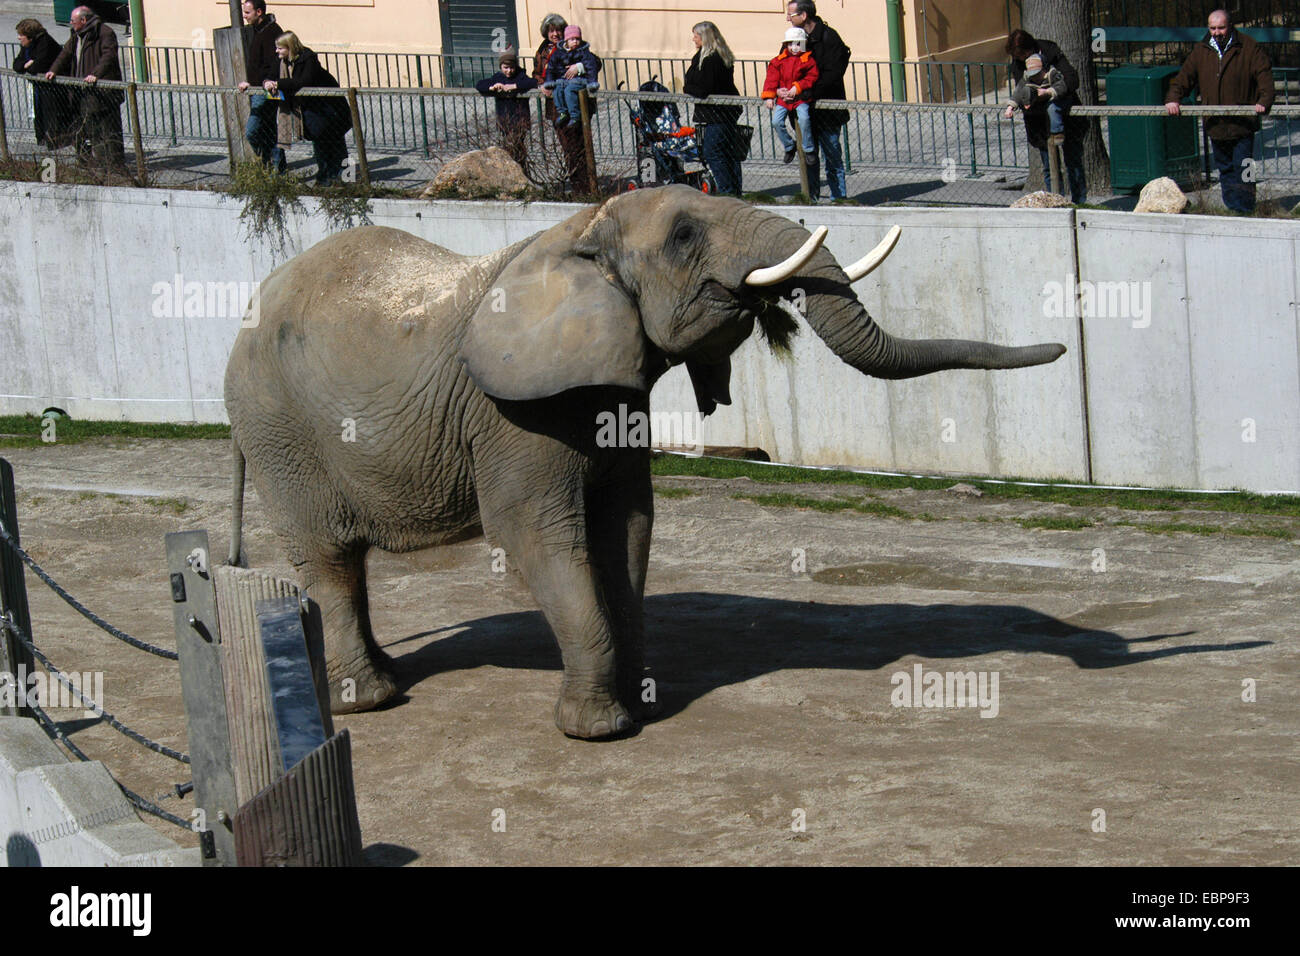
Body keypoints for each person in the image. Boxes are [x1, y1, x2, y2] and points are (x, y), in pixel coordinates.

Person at [1165, 9, 1274, 213]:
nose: (1217, 32)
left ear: (1230, 25)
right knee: (1225, 169)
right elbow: (1183, 78)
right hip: (1215, 124)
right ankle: (1232, 208)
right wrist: (1173, 98)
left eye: (1221, 27)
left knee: (1244, 168)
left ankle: (1245, 209)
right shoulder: (1201, 50)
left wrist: (1264, 101)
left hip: (1242, 124)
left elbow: (1264, 77)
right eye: (1213, 28)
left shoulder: (1249, 47)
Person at [1004, 28, 1086, 204]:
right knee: (1049, 166)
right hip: (1039, 120)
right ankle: (1057, 202)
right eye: (1018, 57)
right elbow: (1022, 90)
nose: (1022, 59)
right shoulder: (1019, 65)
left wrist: (1049, 93)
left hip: (1065, 115)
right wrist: (1024, 101)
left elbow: (1071, 79)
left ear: (1029, 49)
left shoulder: (1050, 51)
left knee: (1074, 163)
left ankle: (1080, 203)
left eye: (1023, 55)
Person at [46, 5, 124, 169]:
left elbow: (109, 55)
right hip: (84, 91)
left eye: (73, 21)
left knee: (110, 131)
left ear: (83, 20)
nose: (70, 23)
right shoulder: (76, 34)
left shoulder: (104, 32)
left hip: (104, 92)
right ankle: (100, 164)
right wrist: (53, 70)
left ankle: (116, 166)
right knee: (92, 131)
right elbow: (65, 54)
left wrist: (96, 73)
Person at [267, 32, 351, 185]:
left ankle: (342, 177)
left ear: (289, 47)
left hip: (329, 108)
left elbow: (304, 81)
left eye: (280, 48)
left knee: (334, 142)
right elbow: (270, 74)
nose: (276, 51)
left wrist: (279, 83)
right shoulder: (281, 61)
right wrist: (267, 81)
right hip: (313, 109)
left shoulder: (308, 58)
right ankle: (326, 176)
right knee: (321, 142)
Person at [788, 1, 850, 201]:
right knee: (809, 157)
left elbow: (833, 74)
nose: (788, 18)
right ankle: (810, 198)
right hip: (804, 109)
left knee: (832, 156)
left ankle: (838, 198)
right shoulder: (795, 38)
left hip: (828, 108)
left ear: (804, 15)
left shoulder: (829, 37)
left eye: (791, 14)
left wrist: (809, 92)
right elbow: (785, 65)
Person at [683, 20, 743, 196]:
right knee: (726, 152)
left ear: (704, 37)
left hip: (718, 113)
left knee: (713, 152)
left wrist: (688, 88)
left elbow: (704, 88)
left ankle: (727, 190)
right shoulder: (707, 56)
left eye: (696, 35)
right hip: (721, 112)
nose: (693, 39)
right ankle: (732, 190)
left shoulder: (712, 59)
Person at [532, 13, 590, 191]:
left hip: (574, 104)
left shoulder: (572, 45)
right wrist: (542, 84)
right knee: (566, 146)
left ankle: (584, 186)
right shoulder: (542, 50)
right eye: (551, 31)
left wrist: (577, 67)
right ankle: (576, 184)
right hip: (555, 106)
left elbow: (594, 61)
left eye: (558, 30)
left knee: (577, 144)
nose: (555, 34)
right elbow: (536, 72)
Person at [236, 1, 290, 172]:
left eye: (247, 12)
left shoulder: (272, 31)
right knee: (268, 129)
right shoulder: (257, 29)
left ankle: (269, 161)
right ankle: (275, 167)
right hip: (258, 87)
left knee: (253, 130)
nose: (244, 16)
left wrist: (266, 81)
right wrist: (250, 82)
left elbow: (274, 63)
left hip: (267, 89)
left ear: (258, 12)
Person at [475, 47, 539, 168]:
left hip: (519, 119)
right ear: (501, 67)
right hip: (504, 119)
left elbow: (532, 82)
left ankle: (520, 171)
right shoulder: (498, 77)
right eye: (506, 68)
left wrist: (513, 86)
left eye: (511, 67)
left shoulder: (521, 76)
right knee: (508, 149)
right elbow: (480, 84)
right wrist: (492, 87)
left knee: (516, 148)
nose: (509, 71)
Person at [763, 28, 818, 167]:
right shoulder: (778, 61)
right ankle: (789, 146)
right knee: (776, 121)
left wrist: (797, 87)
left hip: (800, 98)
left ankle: (808, 149)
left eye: (798, 44)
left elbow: (811, 77)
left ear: (804, 44)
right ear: (786, 45)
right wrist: (772, 94)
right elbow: (771, 79)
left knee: (804, 119)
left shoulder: (808, 60)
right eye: (791, 44)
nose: (794, 47)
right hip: (784, 99)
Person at [13, 19, 68, 148]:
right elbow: (17, 64)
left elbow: (36, 67)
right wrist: (27, 64)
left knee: (51, 115)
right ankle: (42, 140)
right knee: (39, 113)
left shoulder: (45, 43)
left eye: (21, 35)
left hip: (53, 88)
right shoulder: (26, 46)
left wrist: (29, 65)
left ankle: (54, 143)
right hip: (39, 87)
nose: (19, 38)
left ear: (30, 37)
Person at [542, 25, 600, 128]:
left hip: (578, 80)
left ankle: (575, 115)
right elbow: (550, 68)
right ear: (566, 40)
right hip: (563, 80)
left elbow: (593, 65)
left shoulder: (584, 52)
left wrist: (581, 69)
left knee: (569, 90)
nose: (575, 42)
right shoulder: (556, 52)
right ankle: (562, 112)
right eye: (572, 39)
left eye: (577, 39)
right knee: (558, 88)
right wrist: (548, 82)